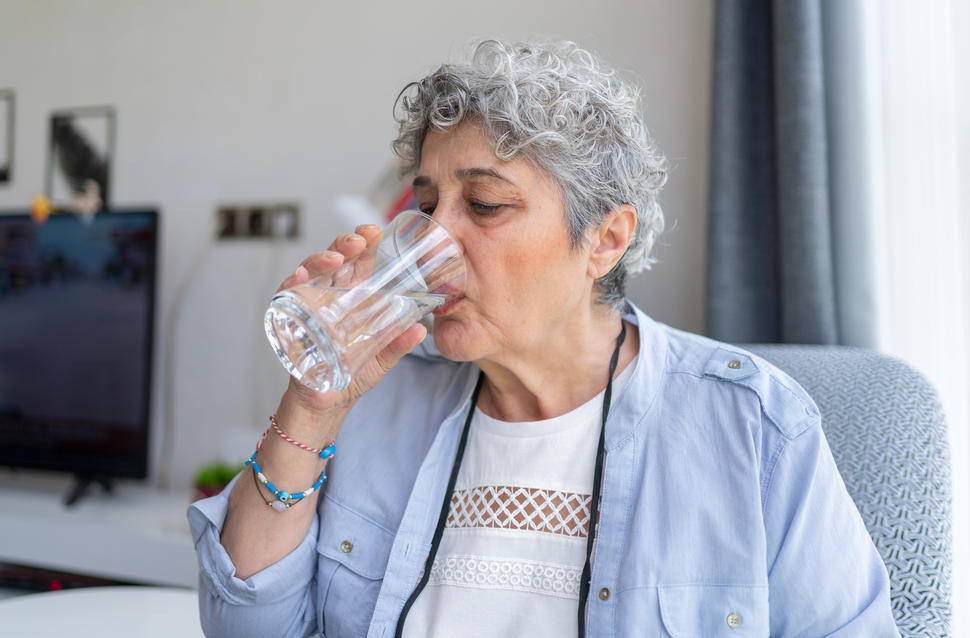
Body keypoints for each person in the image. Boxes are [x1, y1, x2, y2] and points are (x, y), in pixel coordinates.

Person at [189, 39, 899, 637]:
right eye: (427, 204)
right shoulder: (381, 398)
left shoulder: (756, 428)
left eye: (487, 204)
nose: (432, 238)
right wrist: (312, 407)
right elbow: (245, 626)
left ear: (605, 240)